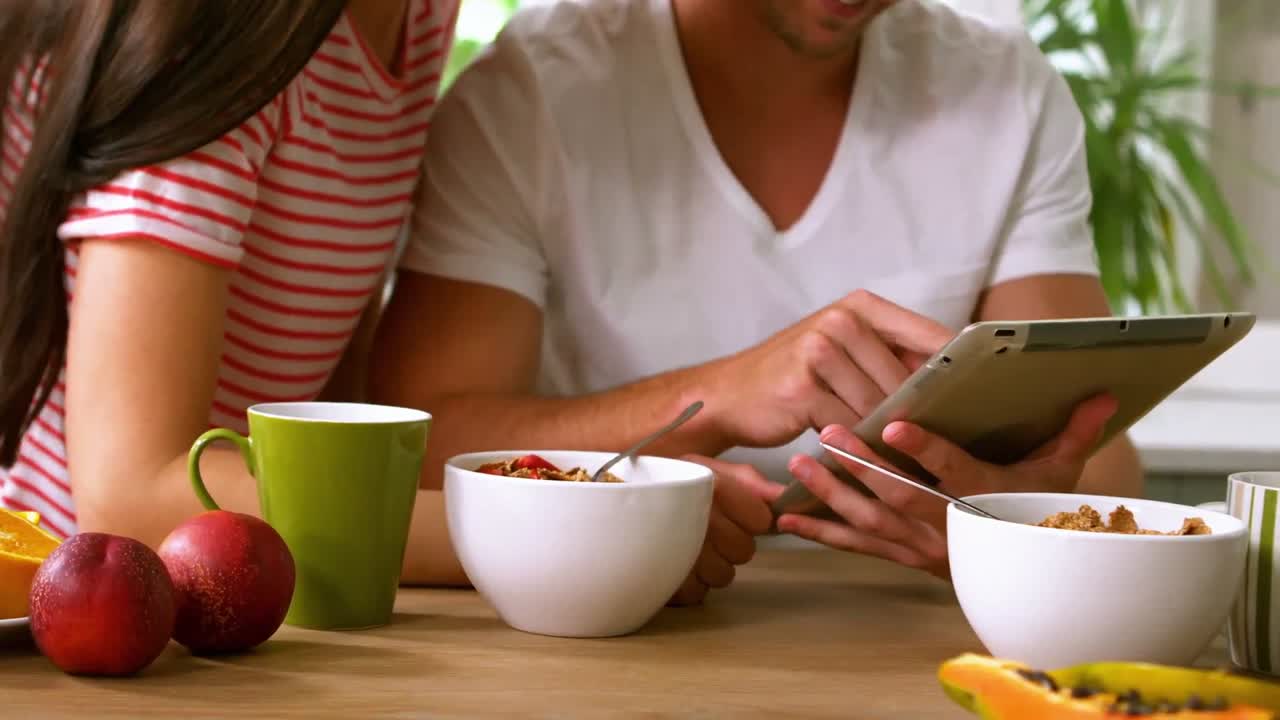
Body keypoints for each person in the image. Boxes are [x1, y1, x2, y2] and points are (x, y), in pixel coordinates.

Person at [370, 0, 1144, 600]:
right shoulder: (529, 92)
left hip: (902, 644)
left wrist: (1014, 519)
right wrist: (717, 398)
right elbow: (428, 442)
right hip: (606, 632)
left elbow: (1100, 453)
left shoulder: (1006, 92)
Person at [0, 0, 464, 583]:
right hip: (71, 609)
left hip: (247, 608)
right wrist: (537, 533)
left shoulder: (418, 18)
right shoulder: (223, 30)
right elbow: (134, 500)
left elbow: (331, 296)